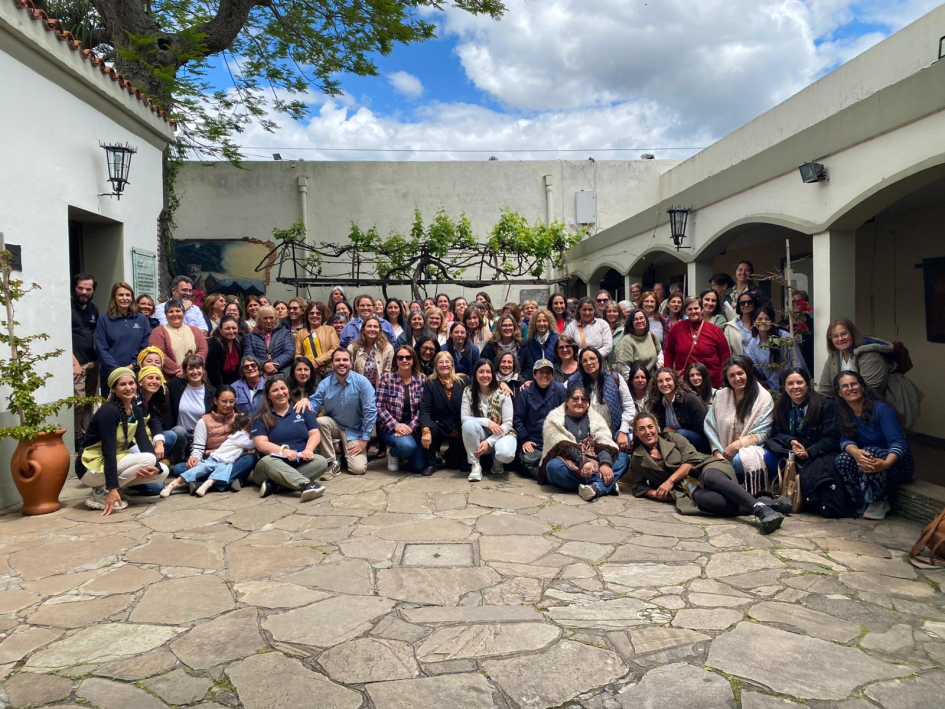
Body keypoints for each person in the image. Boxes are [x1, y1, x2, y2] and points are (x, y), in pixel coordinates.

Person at [629, 412, 788, 533]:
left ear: (656, 427)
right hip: (686, 487)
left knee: (712, 478)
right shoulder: (637, 457)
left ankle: (760, 509)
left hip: (704, 467)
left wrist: (669, 481)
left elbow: (691, 460)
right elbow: (637, 486)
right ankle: (769, 505)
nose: (647, 432)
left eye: (650, 427)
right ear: (636, 432)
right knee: (713, 503)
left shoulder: (673, 438)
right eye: (641, 429)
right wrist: (655, 493)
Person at [76, 368, 169, 514]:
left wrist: (156, 467)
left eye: (131, 383)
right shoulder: (108, 411)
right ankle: (104, 492)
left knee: (162, 472)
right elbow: (108, 450)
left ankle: (108, 489)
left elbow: (144, 442)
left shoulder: (135, 410)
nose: (128, 388)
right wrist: (112, 487)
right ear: (113, 389)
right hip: (90, 465)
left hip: (114, 459)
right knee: (149, 459)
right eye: (122, 384)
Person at [762, 368, 852, 518]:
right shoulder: (781, 407)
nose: (795, 387)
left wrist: (809, 452)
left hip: (819, 451)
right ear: (784, 387)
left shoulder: (825, 405)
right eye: (790, 383)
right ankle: (787, 490)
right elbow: (776, 433)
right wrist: (792, 441)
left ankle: (810, 497)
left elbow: (832, 438)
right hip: (793, 450)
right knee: (769, 457)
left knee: (819, 468)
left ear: (807, 384)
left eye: (799, 382)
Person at [834, 371, 914, 520]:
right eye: (844, 386)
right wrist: (855, 452)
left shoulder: (881, 409)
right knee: (843, 459)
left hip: (896, 464)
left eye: (854, 384)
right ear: (839, 393)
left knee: (869, 452)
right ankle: (860, 500)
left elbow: (898, 443)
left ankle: (879, 501)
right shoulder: (844, 412)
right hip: (868, 462)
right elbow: (845, 439)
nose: (850, 388)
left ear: (862, 387)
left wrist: (886, 463)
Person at [816, 318, 922, 429]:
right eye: (835, 336)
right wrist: (816, 408)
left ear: (852, 334)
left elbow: (870, 389)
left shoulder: (869, 353)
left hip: (885, 403)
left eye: (844, 334)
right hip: (854, 405)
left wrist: (841, 408)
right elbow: (825, 390)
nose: (840, 339)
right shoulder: (834, 356)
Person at [164, 385, 256, 494]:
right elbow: (198, 448)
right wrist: (195, 458)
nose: (228, 405)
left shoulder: (241, 419)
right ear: (216, 401)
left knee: (251, 459)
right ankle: (229, 481)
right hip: (209, 460)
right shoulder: (204, 421)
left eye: (231, 401)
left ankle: (200, 484)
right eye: (224, 401)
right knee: (179, 468)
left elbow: (248, 442)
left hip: (232, 461)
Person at [539, 384, 622, 501]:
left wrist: (605, 464)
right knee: (553, 467)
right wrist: (583, 461)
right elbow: (561, 444)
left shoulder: (595, 418)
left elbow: (604, 441)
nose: (579, 402)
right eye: (575, 399)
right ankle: (605, 484)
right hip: (569, 463)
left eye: (584, 399)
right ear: (567, 401)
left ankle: (597, 487)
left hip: (595, 461)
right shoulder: (554, 419)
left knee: (624, 458)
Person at [705, 355, 774, 495]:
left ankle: (731, 489)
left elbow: (765, 432)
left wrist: (736, 446)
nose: (737, 378)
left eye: (740, 373)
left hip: (753, 449)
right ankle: (732, 490)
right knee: (713, 469)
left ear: (748, 372)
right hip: (723, 451)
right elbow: (711, 427)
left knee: (739, 460)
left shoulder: (763, 397)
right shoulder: (721, 395)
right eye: (732, 375)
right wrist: (717, 452)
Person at [250, 377, 328, 502]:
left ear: (288, 390)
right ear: (268, 396)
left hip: (299, 463)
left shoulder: (302, 410)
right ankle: (305, 485)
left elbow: (314, 433)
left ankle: (275, 486)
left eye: (283, 388)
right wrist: (283, 451)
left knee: (321, 461)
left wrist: (309, 449)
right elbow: (261, 444)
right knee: (267, 460)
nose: (280, 393)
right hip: (270, 467)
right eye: (275, 390)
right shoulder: (260, 418)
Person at [307, 347, 377, 477]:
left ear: (351, 362)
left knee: (358, 469)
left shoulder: (362, 382)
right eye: (337, 360)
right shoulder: (325, 384)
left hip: (354, 430)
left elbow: (371, 412)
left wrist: (364, 440)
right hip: (333, 426)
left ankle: (344, 452)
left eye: (345, 360)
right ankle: (331, 462)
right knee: (320, 421)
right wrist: (305, 403)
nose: (341, 363)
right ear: (332, 363)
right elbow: (314, 405)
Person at [570, 347, 635, 455]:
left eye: (592, 358)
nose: (589, 363)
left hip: (615, 434)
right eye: (584, 361)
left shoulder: (615, 378)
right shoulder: (577, 383)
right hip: (588, 438)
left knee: (622, 459)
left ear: (599, 359)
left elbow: (628, 407)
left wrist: (623, 431)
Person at [461, 359, 516, 481]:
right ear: (475, 373)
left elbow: (508, 424)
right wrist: (487, 422)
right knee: (468, 425)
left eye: (488, 372)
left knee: (505, 454)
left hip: (502, 435)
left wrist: (489, 442)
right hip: (481, 435)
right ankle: (475, 465)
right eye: (481, 371)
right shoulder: (468, 391)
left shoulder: (502, 392)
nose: (485, 375)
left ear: (493, 374)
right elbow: (464, 418)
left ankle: (497, 460)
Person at [94, 281, 152, 395]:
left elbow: (145, 345)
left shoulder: (141, 319)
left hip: (135, 372)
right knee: (111, 405)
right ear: (114, 298)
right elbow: (101, 348)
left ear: (132, 298)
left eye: (128, 295)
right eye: (120, 295)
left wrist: (134, 365)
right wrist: (117, 369)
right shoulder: (104, 320)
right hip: (111, 373)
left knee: (135, 404)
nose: (124, 298)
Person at [376, 345, 427, 474]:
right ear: (396, 361)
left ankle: (405, 452)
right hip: (390, 428)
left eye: (408, 357)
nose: (404, 360)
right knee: (407, 446)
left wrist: (411, 427)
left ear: (413, 360)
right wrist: (396, 426)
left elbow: (424, 408)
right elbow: (379, 406)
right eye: (401, 357)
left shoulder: (421, 379)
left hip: (414, 428)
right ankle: (394, 453)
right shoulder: (386, 379)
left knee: (418, 467)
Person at [419, 351, 469, 476]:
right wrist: (425, 430)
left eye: (447, 362)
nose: (444, 365)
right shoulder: (430, 383)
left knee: (455, 465)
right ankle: (431, 463)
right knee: (430, 429)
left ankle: (449, 455)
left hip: (459, 427)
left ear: (452, 364)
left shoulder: (464, 380)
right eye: (441, 362)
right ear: (436, 365)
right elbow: (425, 409)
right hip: (440, 425)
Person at [662, 297, 731, 388]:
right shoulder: (677, 328)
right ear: (685, 312)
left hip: (711, 382)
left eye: (696, 308)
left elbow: (725, 356)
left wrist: (723, 380)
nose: (693, 311)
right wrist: (669, 374)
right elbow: (669, 353)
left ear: (702, 310)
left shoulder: (715, 330)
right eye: (689, 309)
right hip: (685, 382)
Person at [514, 359, 566, 478]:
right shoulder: (525, 393)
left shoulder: (560, 390)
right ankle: (548, 476)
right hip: (534, 441)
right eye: (541, 372)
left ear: (552, 375)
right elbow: (517, 419)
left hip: (555, 439)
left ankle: (548, 474)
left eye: (548, 372)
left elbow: (566, 416)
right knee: (526, 461)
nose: (544, 375)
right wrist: (525, 440)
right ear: (534, 375)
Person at [745, 307, 807, 392]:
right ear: (754, 322)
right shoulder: (753, 345)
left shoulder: (785, 338)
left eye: (767, 319)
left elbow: (798, 362)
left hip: (793, 385)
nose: (764, 322)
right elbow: (756, 370)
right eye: (760, 319)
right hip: (772, 389)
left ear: (773, 322)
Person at [165, 355, 216, 462]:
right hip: (181, 436)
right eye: (191, 368)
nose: (195, 371)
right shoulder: (176, 385)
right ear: (185, 371)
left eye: (198, 368)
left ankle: (189, 460)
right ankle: (178, 459)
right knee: (178, 431)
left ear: (203, 369)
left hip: (200, 437)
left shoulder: (212, 391)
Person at [647, 368, 709, 452]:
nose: (664, 384)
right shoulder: (658, 403)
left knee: (680, 433)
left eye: (668, 380)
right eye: (660, 381)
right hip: (675, 442)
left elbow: (704, 428)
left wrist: (674, 432)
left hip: (699, 443)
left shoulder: (690, 400)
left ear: (675, 381)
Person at [148, 300, 209, 381]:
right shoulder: (158, 332)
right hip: (171, 379)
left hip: (195, 376)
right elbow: (159, 354)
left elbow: (203, 350)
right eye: (171, 311)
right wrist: (181, 370)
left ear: (183, 313)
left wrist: (191, 368)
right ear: (166, 315)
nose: (175, 314)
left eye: (178, 311)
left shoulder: (195, 331)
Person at [72, 273, 100, 447]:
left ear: (93, 291)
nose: (84, 292)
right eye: (80, 288)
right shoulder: (68, 307)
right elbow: (62, 337)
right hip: (77, 363)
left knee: (89, 402)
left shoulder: (93, 309)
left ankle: (86, 435)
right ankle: (76, 437)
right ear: (75, 288)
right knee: (79, 402)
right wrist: (74, 363)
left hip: (92, 362)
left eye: (88, 289)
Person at [481, 313, 535, 383]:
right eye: (504, 325)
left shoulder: (522, 344)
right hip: (495, 383)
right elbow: (483, 366)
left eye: (510, 325)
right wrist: (497, 382)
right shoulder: (491, 345)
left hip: (518, 383)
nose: (507, 328)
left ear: (514, 327)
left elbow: (529, 368)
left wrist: (520, 382)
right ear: (499, 328)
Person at [244, 305, 295, 377]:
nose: (268, 321)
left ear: (275, 318)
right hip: (259, 373)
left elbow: (289, 353)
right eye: (265, 318)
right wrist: (264, 365)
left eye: (271, 318)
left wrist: (272, 366)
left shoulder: (284, 333)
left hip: (282, 371)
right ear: (259, 319)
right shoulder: (250, 336)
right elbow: (248, 355)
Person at [347, 315, 394, 388]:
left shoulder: (388, 348)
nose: (372, 329)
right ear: (363, 330)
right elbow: (349, 372)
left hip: (380, 388)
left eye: (375, 327)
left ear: (379, 331)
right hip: (358, 388)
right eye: (369, 326)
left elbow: (388, 372)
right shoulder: (352, 348)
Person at [615, 308, 663, 379]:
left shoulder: (652, 335)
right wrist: (633, 383)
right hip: (636, 382)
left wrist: (660, 362)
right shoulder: (626, 341)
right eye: (635, 319)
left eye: (641, 318)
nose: (639, 321)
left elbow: (659, 351)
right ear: (631, 323)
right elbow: (624, 369)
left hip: (652, 380)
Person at [295, 301, 338, 375]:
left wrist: (317, 362)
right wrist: (308, 365)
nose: (315, 315)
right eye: (311, 313)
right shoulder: (300, 333)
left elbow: (335, 349)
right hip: (308, 372)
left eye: (318, 313)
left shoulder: (330, 330)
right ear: (307, 315)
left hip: (328, 371)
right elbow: (298, 354)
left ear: (322, 315)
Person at [205, 316, 242, 387]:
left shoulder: (239, 341)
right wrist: (222, 389)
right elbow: (214, 373)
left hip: (234, 382)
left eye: (234, 328)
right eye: (227, 328)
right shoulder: (214, 344)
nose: (231, 331)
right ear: (220, 330)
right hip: (217, 384)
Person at [723, 291, 757, 356]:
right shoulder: (730, 326)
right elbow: (727, 351)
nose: (746, 305)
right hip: (739, 361)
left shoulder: (761, 323)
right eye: (742, 303)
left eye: (749, 302)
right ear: (738, 306)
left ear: (755, 303)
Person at [602, 301, 626, 369]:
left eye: (614, 311)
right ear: (605, 313)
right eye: (609, 311)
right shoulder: (600, 327)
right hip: (602, 367)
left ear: (619, 313)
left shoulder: (625, 329)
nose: (612, 314)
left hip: (618, 367)